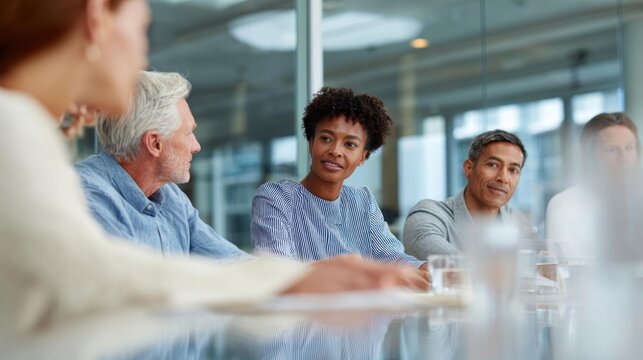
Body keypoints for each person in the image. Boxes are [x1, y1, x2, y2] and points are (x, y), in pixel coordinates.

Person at [0, 0, 422, 337]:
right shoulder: (13, 129)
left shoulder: (168, 200)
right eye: (143, 27)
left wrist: (304, 277)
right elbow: (95, 279)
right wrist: (289, 281)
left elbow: (230, 263)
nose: (142, 52)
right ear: (97, 18)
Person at [251, 87, 428, 281]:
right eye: (326, 138)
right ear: (311, 142)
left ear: (363, 156)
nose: (335, 151)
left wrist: (429, 269)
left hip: (369, 308)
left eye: (350, 144)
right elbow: (277, 270)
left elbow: (393, 258)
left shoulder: (362, 201)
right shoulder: (275, 198)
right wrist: (345, 267)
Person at [76, 70, 247, 260]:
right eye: (189, 133)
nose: (196, 147)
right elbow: (134, 284)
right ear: (155, 143)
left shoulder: (170, 195)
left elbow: (231, 260)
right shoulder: (85, 197)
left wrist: (281, 278)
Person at [403, 130, 528, 259]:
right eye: (493, 165)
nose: (503, 178)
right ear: (468, 168)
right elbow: (453, 265)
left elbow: (539, 265)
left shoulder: (517, 221)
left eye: (513, 170)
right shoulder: (428, 215)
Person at [545, 112, 640, 257]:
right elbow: (566, 269)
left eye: (629, 148)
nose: (623, 158)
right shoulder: (564, 205)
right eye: (611, 150)